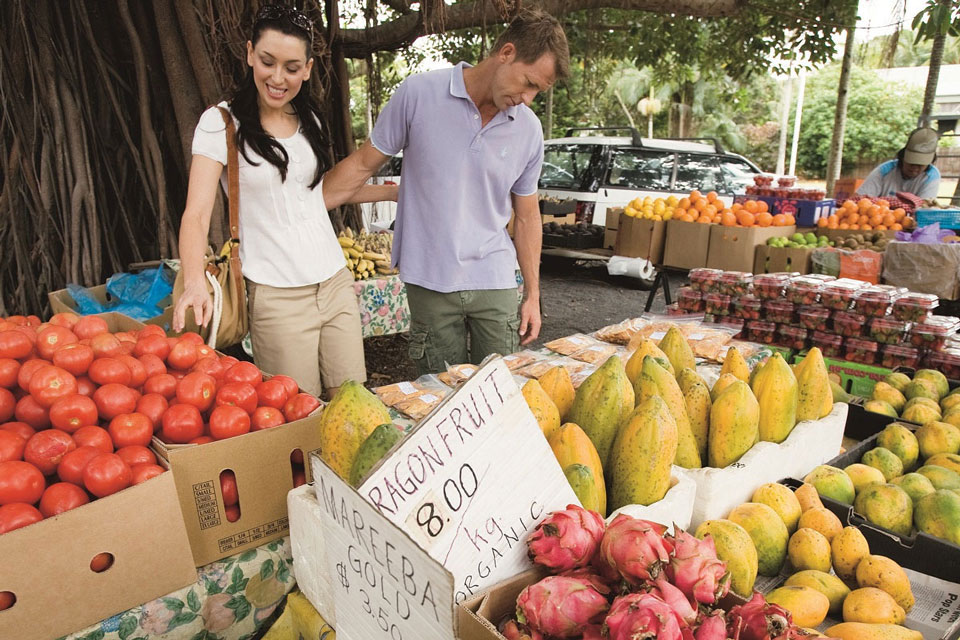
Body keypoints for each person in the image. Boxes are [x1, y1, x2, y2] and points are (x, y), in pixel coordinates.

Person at [322, 8, 570, 374]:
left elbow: (528, 215)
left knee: (500, 395)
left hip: (496, 281)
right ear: (506, 53)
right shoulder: (418, 94)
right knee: (437, 401)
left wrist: (533, 295)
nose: (529, 98)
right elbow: (361, 165)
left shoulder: (529, 130)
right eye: (529, 83)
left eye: (538, 90)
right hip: (430, 280)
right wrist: (303, 203)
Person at [173, 4, 396, 400]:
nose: (278, 78)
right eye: (267, 62)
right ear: (249, 55)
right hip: (276, 294)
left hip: (334, 280)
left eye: (292, 68)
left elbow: (317, 194)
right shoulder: (220, 123)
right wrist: (193, 283)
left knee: (353, 399)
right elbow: (197, 213)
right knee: (297, 411)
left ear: (308, 69)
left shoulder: (311, 117)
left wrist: (395, 191)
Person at [857, 127, 941, 200]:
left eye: (920, 165)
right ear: (902, 157)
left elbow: (925, 209)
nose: (914, 168)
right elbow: (860, 199)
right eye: (911, 163)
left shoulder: (932, 176)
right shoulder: (884, 171)